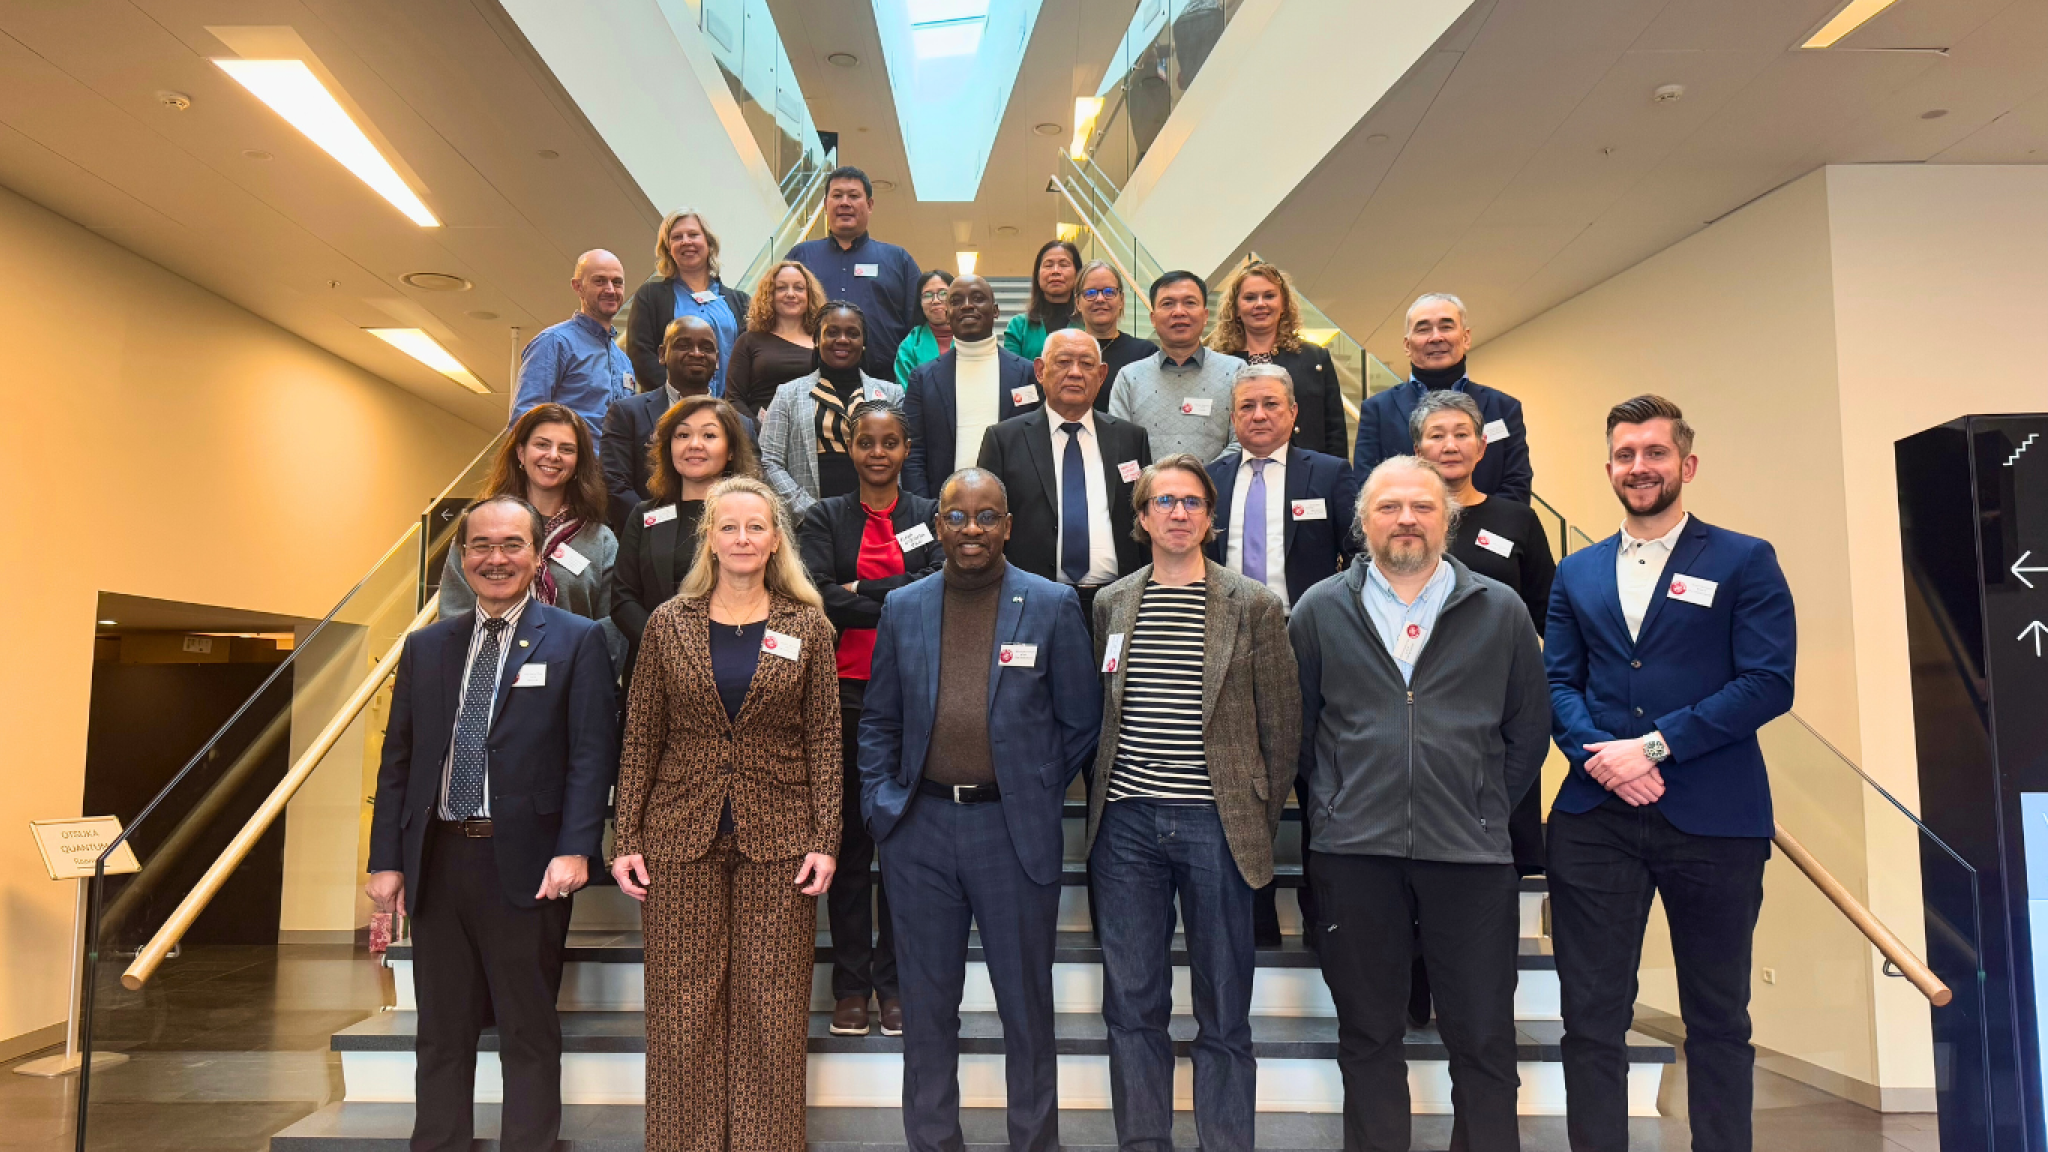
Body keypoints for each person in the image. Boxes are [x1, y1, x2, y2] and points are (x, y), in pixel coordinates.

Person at [1545, 395, 1795, 1152]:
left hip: (1715, 818)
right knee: (1591, 1018)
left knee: (1718, 1018)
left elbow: (1768, 683)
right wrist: (1604, 758)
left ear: (1686, 464)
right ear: (1609, 469)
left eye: (1654, 452)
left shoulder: (1744, 559)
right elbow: (1557, 684)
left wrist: (1653, 748)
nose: (1639, 466)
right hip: (1595, 821)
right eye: (1625, 454)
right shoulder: (1576, 570)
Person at [1289, 456, 1549, 1152]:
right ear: (1362, 522)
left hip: (1471, 856)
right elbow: (1299, 731)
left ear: (1448, 519)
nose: (1406, 519)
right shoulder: (1318, 610)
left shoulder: (1501, 609)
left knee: (1484, 1038)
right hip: (1354, 854)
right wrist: (1338, 801)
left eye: (1423, 506)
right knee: (1368, 1035)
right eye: (1389, 507)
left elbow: (1529, 728)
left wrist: (1485, 804)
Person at [858, 467, 1102, 1152]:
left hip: (1011, 831)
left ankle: (1034, 1142)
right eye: (958, 516)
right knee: (927, 1007)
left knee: (1026, 1008)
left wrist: (1032, 786)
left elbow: (1081, 720)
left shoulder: (1051, 603)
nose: (972, 529)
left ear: (1008, 526)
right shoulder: (904, 606)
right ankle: (934, 1141)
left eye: (987, 516)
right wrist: (882, 804)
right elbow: (878, 721)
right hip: (919, 830)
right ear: (938, 526)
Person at [366, 494, 618, 1152]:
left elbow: (592, 756)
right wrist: (386, 859)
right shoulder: (426, 647)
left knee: (526, 1029)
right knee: (440, 1031)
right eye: (481, 545)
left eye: (512, 545)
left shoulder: (578, 640)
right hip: (438, 862)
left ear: (537, 557)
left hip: (528, 864)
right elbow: (399, 762)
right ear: (461, 557)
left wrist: (576, 848)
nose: (495, 558)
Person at [611, 475, 841, 1152]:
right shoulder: (668, 623)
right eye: (729, 526)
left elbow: (826, 737)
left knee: (771, 1008)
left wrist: (826, 837)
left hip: (782, 837)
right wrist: (626, 837)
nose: (742, 538)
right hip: (678, 834)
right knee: (682, 1011)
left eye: (755, 527)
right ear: (709, 538)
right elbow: (641, 736)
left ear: (775, 541)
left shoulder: (807, 625)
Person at [1085, 455, 1300, 1152]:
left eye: (1193, 502)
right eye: (1164, 501)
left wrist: (1251, 815)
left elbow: (1282, 728)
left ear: (1210, 517)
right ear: (1142, 517)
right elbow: (1104, 711)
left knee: (1225, 1007)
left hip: (1217, 823)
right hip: (1125, 826)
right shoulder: (1112, 603)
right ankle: (1143, 1141)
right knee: (1131, 1004)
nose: (1179, 513)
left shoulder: (1254, 605)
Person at [797, 400, 943, 1038]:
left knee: (904, 853)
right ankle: (851, 985)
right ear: (849, 449)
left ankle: (896, 982)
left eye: (890, 442)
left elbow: (940, 585)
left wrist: (859, 591)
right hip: (843, 699)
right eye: (866, 442)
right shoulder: (823, 516)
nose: (878, 453)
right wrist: (893, 594)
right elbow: (815, 594)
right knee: (850, 849)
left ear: (906, 449)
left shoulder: (930, 515)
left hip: (916, 698)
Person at [1205, 363, 1357, 948]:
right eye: (1247, 406)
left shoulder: (1331, 474)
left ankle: (1325, 917)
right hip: (1232, 648)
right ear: (1232, 416)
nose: (1259, 415)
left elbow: (1359, 558)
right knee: (1244, 786)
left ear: (1293, 413)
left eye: (1271, 404)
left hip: (1310, 647)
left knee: (1320, 780)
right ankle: (1255, 916)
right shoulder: (1211, 478)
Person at [1411, 387, 1554, 873]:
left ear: (1481, 446)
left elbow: (1549, 615)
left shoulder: (1517, 519)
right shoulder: (1401, 522)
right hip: (1417, 704)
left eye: (1462, 434)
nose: (1450, 445)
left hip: (1499, 706)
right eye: (1437, 435)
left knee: (1500, 855)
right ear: (1418, 449)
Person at [977, 328, 1152, 617]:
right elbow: (987, 522)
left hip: (1119, 600)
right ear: (1040, 370)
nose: (1075, 373)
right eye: (1063, 362)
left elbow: (1147, 520)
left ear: (1102, 375)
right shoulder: (1004, 440)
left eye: (1087, 364)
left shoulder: (1131, 438)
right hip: (1032, 600)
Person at [441, 404, 623, 670]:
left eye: (566, 449)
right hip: (488, 676)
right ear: (521, 453)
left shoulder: (601, 541)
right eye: (542, 444)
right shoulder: (479, 527)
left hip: (571, 679)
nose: (553, 455)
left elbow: (612, 624)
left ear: (578, 462)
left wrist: (577, 673)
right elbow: (454, 610)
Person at [613, 395, 763, 681]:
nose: (694, 444)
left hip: (735, 667)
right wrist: (667, 646)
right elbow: (623, 598)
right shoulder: (645, 515)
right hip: (655, 668)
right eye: (682, 435)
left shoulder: (756, 515)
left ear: (731, 450)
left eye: (709, 435)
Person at [1353, 293, 1533, 503]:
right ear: (1407, 345)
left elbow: (1517, 485)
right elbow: (1367, 489)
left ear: (1466, 338)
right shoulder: (1377, 410)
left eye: (1446, 327)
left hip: (1490, 524)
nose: (1436, 337)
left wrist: (1477, 520)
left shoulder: (1504, 408)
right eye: (1423, 329)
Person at [602, 316, 759, 530]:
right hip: (645, 539)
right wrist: (655, 527)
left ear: (717, 360)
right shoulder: (627, 414)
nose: (696, 353)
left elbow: (751, 485)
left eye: (706, 347)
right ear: (662, 354)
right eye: (683, 345)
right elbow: (614, 484)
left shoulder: (742, 425)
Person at [758, 302, 905, 517]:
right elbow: (770, 461)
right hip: (809, 521)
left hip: (878, 517)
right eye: (832, 332)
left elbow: (905, 461)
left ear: (864, 343)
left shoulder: (892, 394)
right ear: (817, 340)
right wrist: (811, 512)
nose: (842, 339)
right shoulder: (787, 395)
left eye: (852, 333)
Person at [903, 274, 1039, 499]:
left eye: (977, 298)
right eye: (956, 301)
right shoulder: (923, 378)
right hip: (942, 509)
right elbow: (913, 453)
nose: (967, 306)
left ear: (995, 311)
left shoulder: (1027, 374)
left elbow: (1037, 448)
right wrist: (924, 509)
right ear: (948, 314)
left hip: (1014, 507)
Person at [786, 166, 921, 381]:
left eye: (854, 196)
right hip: (810, 382)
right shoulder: (800, 257)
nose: (845, 203)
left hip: (882, 384)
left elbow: (918, 326)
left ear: (870, 205)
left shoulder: (898, 260)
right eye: (837, 195)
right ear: (825, 205)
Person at [1207, 261, 1349, 459]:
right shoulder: (1218, 361)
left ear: (1283, 304)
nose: (1260, 304)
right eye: (1250, 297)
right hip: (1237, 468)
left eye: (1269, 296)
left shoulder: (1314, 358)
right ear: (1236, 308)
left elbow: (1335, 432)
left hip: (1306, 470)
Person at [1109, 271, 1242, 462]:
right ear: (1153, 318)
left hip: (1216, 482)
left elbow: (1242, 441)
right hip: (1147, 483)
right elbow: (1120, 446)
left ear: (1205, 315)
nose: (1179, 312)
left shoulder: (1236, 372)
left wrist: (1201, 478)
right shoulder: (1129, 378)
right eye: (1168, 304)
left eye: (1190, 303)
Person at [511, 250, 635, 444]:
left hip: (616, 464)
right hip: (568, 462)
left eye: (617, 282)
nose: (611, 290)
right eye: (600, 281)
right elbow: (524, 421)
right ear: (578, 287)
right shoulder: (554, 343)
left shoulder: (624, 362)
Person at [626, 209, 748, 401]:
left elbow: (749, 359)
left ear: (709, 242)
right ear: (668, 248)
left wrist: (730, 406)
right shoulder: (649, 296)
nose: (686, 241)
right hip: (670, 408)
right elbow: (641, 355)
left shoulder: (741, 302)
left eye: (693, 234)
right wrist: (681, 400)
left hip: (729, 409)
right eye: (677, 237)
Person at [727, 260, 826, 420]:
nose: (791, 294)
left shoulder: (824, 342)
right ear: (769, 295)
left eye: (799, 288)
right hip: (759, 431)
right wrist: (759, 430)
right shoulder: (748, 341)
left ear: (810, 295)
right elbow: (734, 399)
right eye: (781, 288)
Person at [1073, 261, 1157, 413]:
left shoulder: (1145, 353)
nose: (1100, 299)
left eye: (1109, 292)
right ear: (1078, 302)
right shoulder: (1065, 351)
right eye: (1090, 293)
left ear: (1121, 300)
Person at [1000, 239, 1082, 361]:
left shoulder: (1089, 323)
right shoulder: (1018, 326)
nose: (1055, 271)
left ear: (1078, 273)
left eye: (1064, 265)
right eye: (1048, 265)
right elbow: (1012, 369)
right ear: (1037, 275)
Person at [893, 269, 955, 386]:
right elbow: (907, 391)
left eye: (943, 293)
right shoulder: (909, 346)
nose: (935, 301)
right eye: (927, 295)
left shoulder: (972, 337)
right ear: (920, 303)